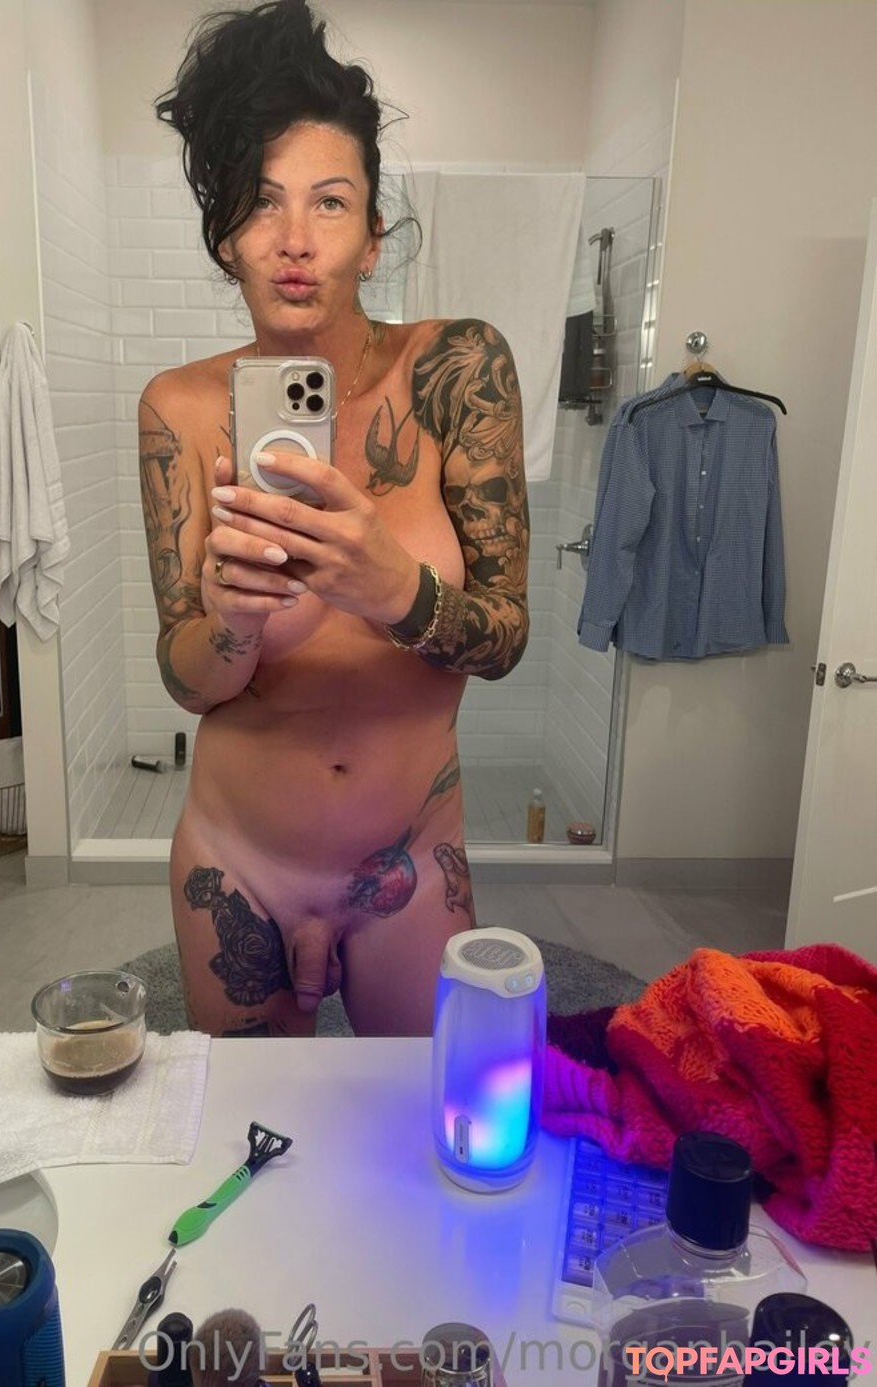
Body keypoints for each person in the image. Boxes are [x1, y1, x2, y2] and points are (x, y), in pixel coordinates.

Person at [140, 0, 529, 1037]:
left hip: (411, 857)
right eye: (261, 203)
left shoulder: (457, 369)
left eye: (330, 203)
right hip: (237, 859)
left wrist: (393, 588)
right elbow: (186, 678)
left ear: (373, 236)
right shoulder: (179, 408)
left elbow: (506, 639)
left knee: (422, 1121)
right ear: (226, 236)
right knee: (248, 1126)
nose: (295, 241)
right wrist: (230, 619)